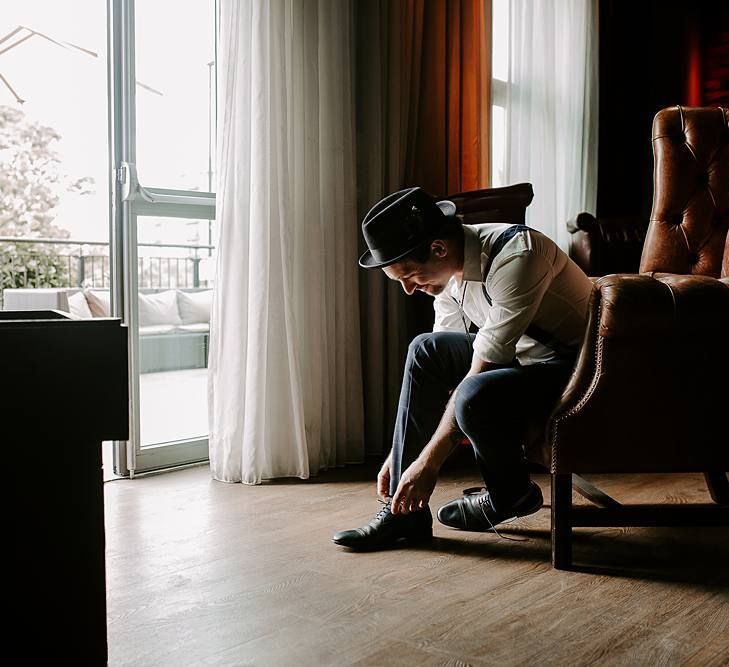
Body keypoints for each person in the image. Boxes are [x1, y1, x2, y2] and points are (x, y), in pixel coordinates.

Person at [332, 186, 593, 551]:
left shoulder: (517, 257)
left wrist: (428, 464)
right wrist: (403, 450)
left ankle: (510, 494)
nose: (408, 289)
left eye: (409, 275)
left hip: (576, 372)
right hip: (522, 361)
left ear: (438, 248)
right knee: (425, 349)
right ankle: (403, 515)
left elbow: (479, 371)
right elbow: (443, 365)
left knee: (473, 394)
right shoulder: (448, 276)